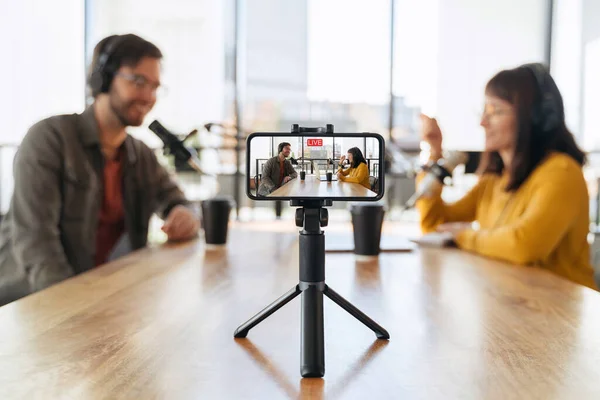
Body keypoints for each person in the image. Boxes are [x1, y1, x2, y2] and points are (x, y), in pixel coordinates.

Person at [0, 34, 200, 305]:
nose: (149, 96)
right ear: (102, 78)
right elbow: (37, 245)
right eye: (139, 81)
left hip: (101, 299)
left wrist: (184, 213)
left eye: (155, 87)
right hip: (35, 304)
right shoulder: (49, 139)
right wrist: (76, 311)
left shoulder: (139, 154)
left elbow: (179, 201)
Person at [417, 63, 597, 290]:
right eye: (484, 111)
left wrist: (463, 236)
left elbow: (524, 245)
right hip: (512, 301)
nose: (482, 122)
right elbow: (435, 224)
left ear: (533, 118)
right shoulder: (495, 180)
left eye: (495, 111)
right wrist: (434, 152)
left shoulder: (562, 172)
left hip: (562, 312)